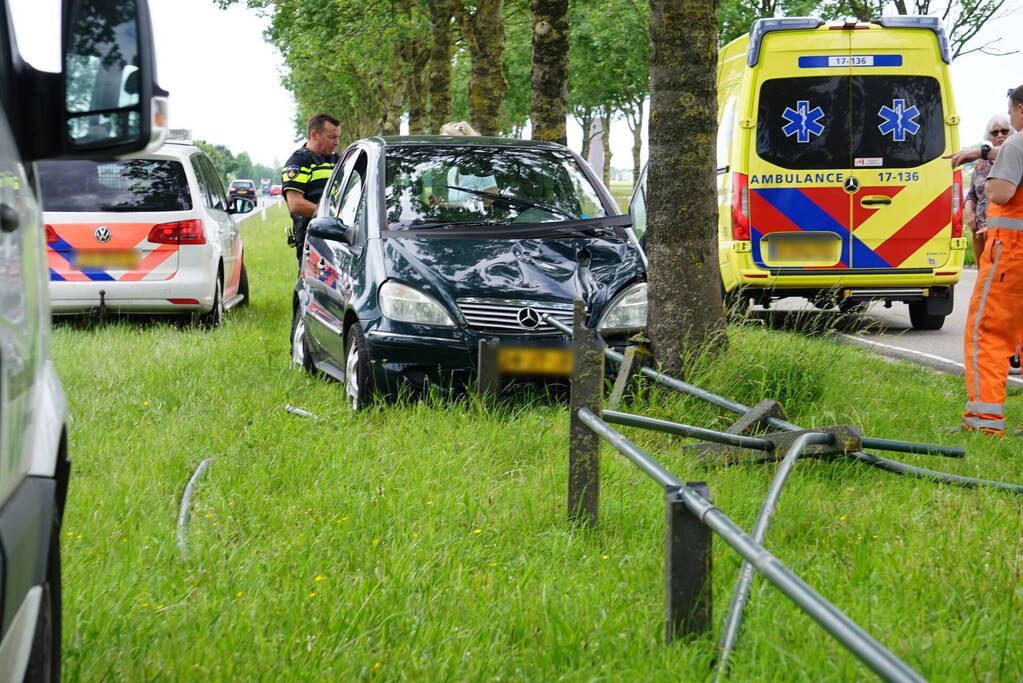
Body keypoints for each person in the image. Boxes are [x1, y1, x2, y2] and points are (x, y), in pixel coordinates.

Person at [957, 85, 1023, 435]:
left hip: (1012, 253)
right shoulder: (1011, 145)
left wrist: (993, 169)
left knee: (989, 332)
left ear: (1021, 110)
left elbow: (1000, 192)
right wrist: (983, 151)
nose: (1009, 122)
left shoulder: (1017, 143)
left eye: (1011, 114)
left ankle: (985, 422)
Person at [282, 113, 341, 263]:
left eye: (337, 137)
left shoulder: (338, 160)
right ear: (314, 135)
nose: (337, 142)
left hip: (339, 235)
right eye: (331, 137)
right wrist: (332, 217)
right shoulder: (298, 162)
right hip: (312, 237)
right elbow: (295, 204)